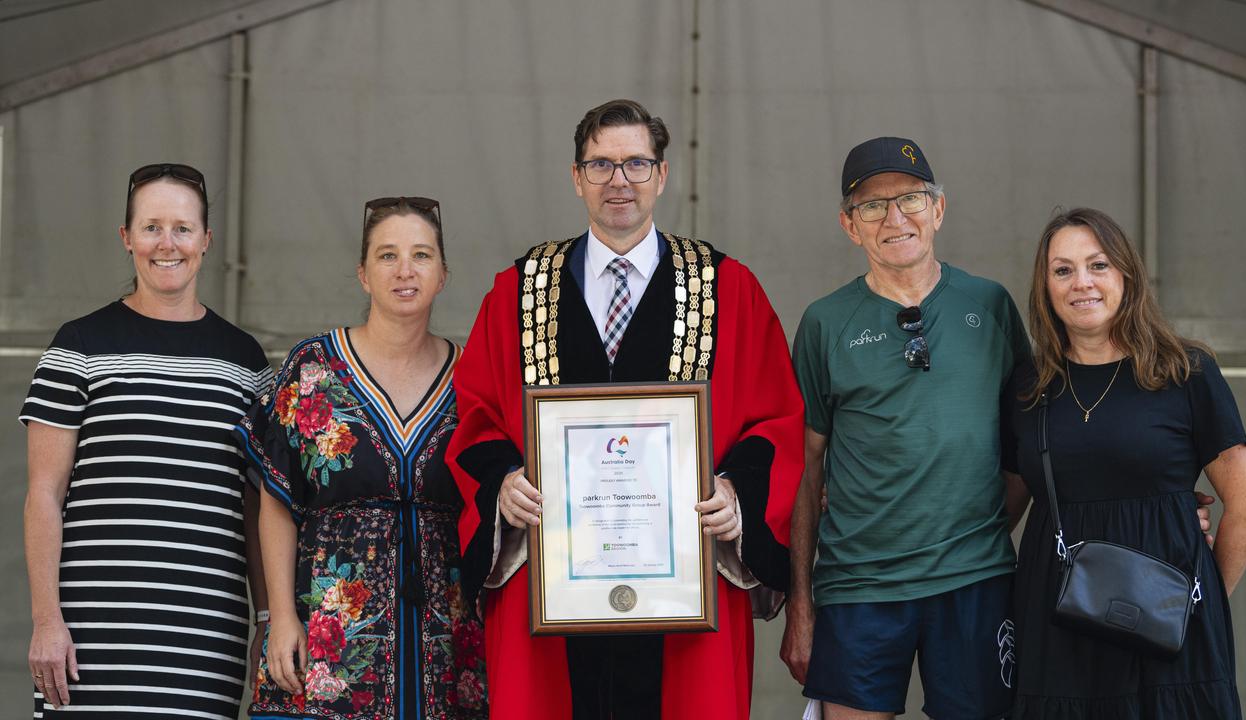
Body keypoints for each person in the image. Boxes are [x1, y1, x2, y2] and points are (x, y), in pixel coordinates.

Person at [447, 98, 802, 720]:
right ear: (576, 176)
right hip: (550, 589)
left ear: (662, 175)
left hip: (686, 588)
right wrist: (502, 484)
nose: (620, 181)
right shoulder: (521, 290)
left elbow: (776, 418)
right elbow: (475, 413)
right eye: (601, 165)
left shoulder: (726, 288)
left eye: (637, 164)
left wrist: (737, 494)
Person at [782, 137, 1033, 719]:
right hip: (858, 587)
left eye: (912, 200)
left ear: (938, 210)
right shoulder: (824, 323)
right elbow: (805, 463)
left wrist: (989, 527)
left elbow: (1031, 441)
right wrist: (801, 602)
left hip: (975, 581)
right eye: (872, 206)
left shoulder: (989, 305)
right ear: (850, 225)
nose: (895, 218)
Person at [21, 163, 273, 718]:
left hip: (205, 639)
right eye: (151, 226)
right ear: (126, 237)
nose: (167, 243)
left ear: (207, 240)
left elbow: (257, 506)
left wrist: (267, 620)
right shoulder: (79, 346)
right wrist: (46, 621)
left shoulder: (245, 362)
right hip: (88, 640)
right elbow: (44, 494)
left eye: (182, 228)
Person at [1002, 207, 1246, 718]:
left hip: (1167, 632)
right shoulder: (1027, 388)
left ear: (1126, 273)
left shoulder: (1185, 372)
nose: (1082, 282)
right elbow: (1006, 504)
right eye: (1063, 270)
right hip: (1057, 627)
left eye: (1098, 265)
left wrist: (1197, 604)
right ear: (1045, 286)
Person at [240, 197, 486, 718]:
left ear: (443, 274)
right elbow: (276, 502)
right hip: (328, 642)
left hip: (445, 646)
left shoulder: (474, 380)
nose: (404, 270)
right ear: (362, 273)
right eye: (386, 255)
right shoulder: (314, 369)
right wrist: (280, 617)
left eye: (421, 255)